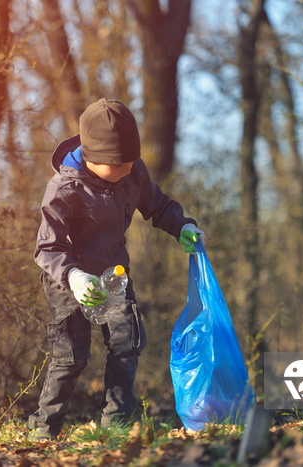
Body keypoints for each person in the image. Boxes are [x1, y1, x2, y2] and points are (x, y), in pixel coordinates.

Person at [28, 98, 205, 441]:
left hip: (114, 277)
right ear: (93, 158)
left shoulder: (132, 171)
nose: (128, 169)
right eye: (119, 164)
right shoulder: (64, 189)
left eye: (131, 161)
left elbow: (158, 205)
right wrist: (75, 277)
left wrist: (182, 225)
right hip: (70, 281)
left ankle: (117, 420)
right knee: (70, 357)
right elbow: (47, 248)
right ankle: (44, 427)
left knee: (127, 343)